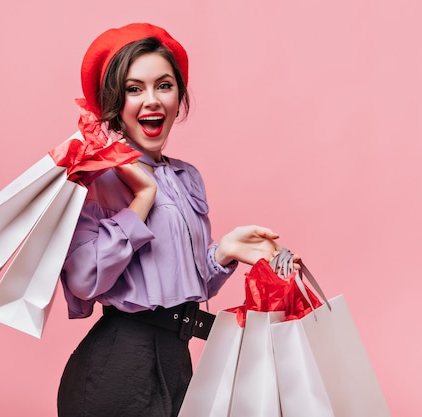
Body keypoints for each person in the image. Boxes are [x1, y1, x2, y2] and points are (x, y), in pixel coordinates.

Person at [57, 23, 289, 417]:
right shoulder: (97, 178)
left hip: (178, 362)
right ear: (115, 101)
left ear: (179, 95)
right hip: (117, 369)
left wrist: (225, 252)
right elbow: (82, 281)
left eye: (164, 85)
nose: (152, 100)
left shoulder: (186, 176)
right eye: (134, 89)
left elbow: (183, 282)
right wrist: (142, 199)